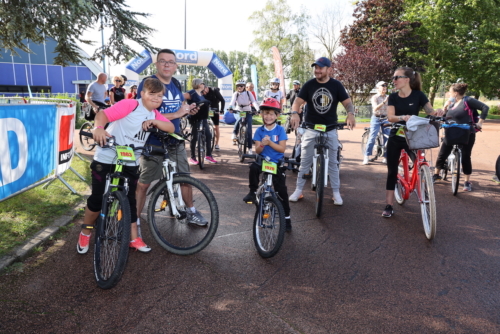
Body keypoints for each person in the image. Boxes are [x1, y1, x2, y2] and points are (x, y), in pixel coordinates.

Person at [77, 78, 174, 254]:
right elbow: (103, 115)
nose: (157, 98)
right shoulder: (131, 104)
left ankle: (133, 238)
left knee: (130, 199)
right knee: (97, 198)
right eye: (152, 94)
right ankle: (85, 231)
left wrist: (156, 122)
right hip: (108, 154)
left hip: (130, 159)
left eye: (160, 96)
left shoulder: (154, 114)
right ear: (142, 94)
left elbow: (170, 127)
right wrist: (98, 128)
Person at [135, 49, 207, 236]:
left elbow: (178, 108)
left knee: (184, 177)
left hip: (174, 139)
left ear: (175, 66)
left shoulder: (175, 83)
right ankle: (134, 220)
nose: (167, 65)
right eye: (163, 61)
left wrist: (186, 110)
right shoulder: (148, 83)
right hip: (153, 140)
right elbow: (143, 115)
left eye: (171, 62)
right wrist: (176, 114)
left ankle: (190, 211)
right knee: (143, 183)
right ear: (157, 64)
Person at [289, 57, 356, 205]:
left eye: (320, 68)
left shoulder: (336, 85)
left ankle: (336, 193)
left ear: (328, 69)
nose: (317, 71)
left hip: (330, 128)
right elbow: (297, 102)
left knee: (333, 162)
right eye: (315, 68)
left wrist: (350, 114)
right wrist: (294, 113)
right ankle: (298, 190)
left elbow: (348, 103)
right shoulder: (309, 85)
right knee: (304, 161)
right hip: (311, 128)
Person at [382, 67, 444, 217]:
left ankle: (423, 185)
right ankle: (389, 205)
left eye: (397, 78)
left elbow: (431, 111)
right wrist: (403, 117)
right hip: (396, 136)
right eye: (393, 78)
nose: (394, 81)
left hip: (413, 137)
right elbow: (390, 117)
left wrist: (439, 111)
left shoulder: (419, 95)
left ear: (407, 80)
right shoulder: (393, 97)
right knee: (392, 171)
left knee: (419, 162)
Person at [243, 97, 292, 231]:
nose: (268, 116)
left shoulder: (280, 130)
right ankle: (253, 191)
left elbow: (282, 149)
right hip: (263, 161)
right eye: (265, 113)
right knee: (253, 167)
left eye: (271, 114)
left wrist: (270, 143)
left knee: (282, 191)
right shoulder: (259, 131)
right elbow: (257, 150)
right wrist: (262, 145)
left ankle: (287, 218)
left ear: (277, 115)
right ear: (261, 114)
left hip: (277, 163)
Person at [433, 83, 489, 191]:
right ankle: (436, 174)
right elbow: (446, 116)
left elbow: (485, 107)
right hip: (451, 131)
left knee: (465, 156)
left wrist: (480, 123)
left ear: (456, 93)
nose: (449, 93)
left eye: (450, 91)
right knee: (442, 153)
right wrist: (444, 108)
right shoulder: (451, 103)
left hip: (467, 133)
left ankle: (467, 181)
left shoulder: (467, 100)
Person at [187, 79, 217, 164]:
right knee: (194, 137)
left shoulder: (201, 94)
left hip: (203, 117)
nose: (204, 85)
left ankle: (208, 155)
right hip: (194, 117)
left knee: (208, 135)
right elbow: (184, 100)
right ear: (198, 84)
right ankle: (193, 157)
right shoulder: (191, 93)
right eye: (202, 83)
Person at [363, 81, 391, 165]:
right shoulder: (374, 97)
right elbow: (375, 108)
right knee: (372, 137)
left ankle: (385, 157)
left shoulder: (388, 97)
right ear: (377, 88)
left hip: (385, 118)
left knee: (388, 138)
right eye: (382, 86)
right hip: (376, 118)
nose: (384, 87)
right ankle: (366, 156)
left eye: (385, 86)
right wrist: (384, 102)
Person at [229, 79, 260, 153]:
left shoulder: (249, 93)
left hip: (248, 111)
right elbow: (232, 102)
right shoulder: (235, 94)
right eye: (238, 86)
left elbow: (254, 102)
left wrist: (258, 109)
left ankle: (249, 148)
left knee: (249, 130)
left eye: (241, 86)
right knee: (239, 119)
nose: (240, 87)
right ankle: (234, 133)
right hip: (239, 110)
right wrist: (230, 107)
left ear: (244, 87)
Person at [203, 85, 225, 150]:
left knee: (216, 127)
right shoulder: (202, 92)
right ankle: (200, 140)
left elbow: (222, 100)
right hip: (206, 109)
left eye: (204, 91)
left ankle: (217, 144)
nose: (203, 93)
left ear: (206, 88)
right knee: (201, 124)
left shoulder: (214, 90)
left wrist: (222, 110)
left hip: (215, 109)